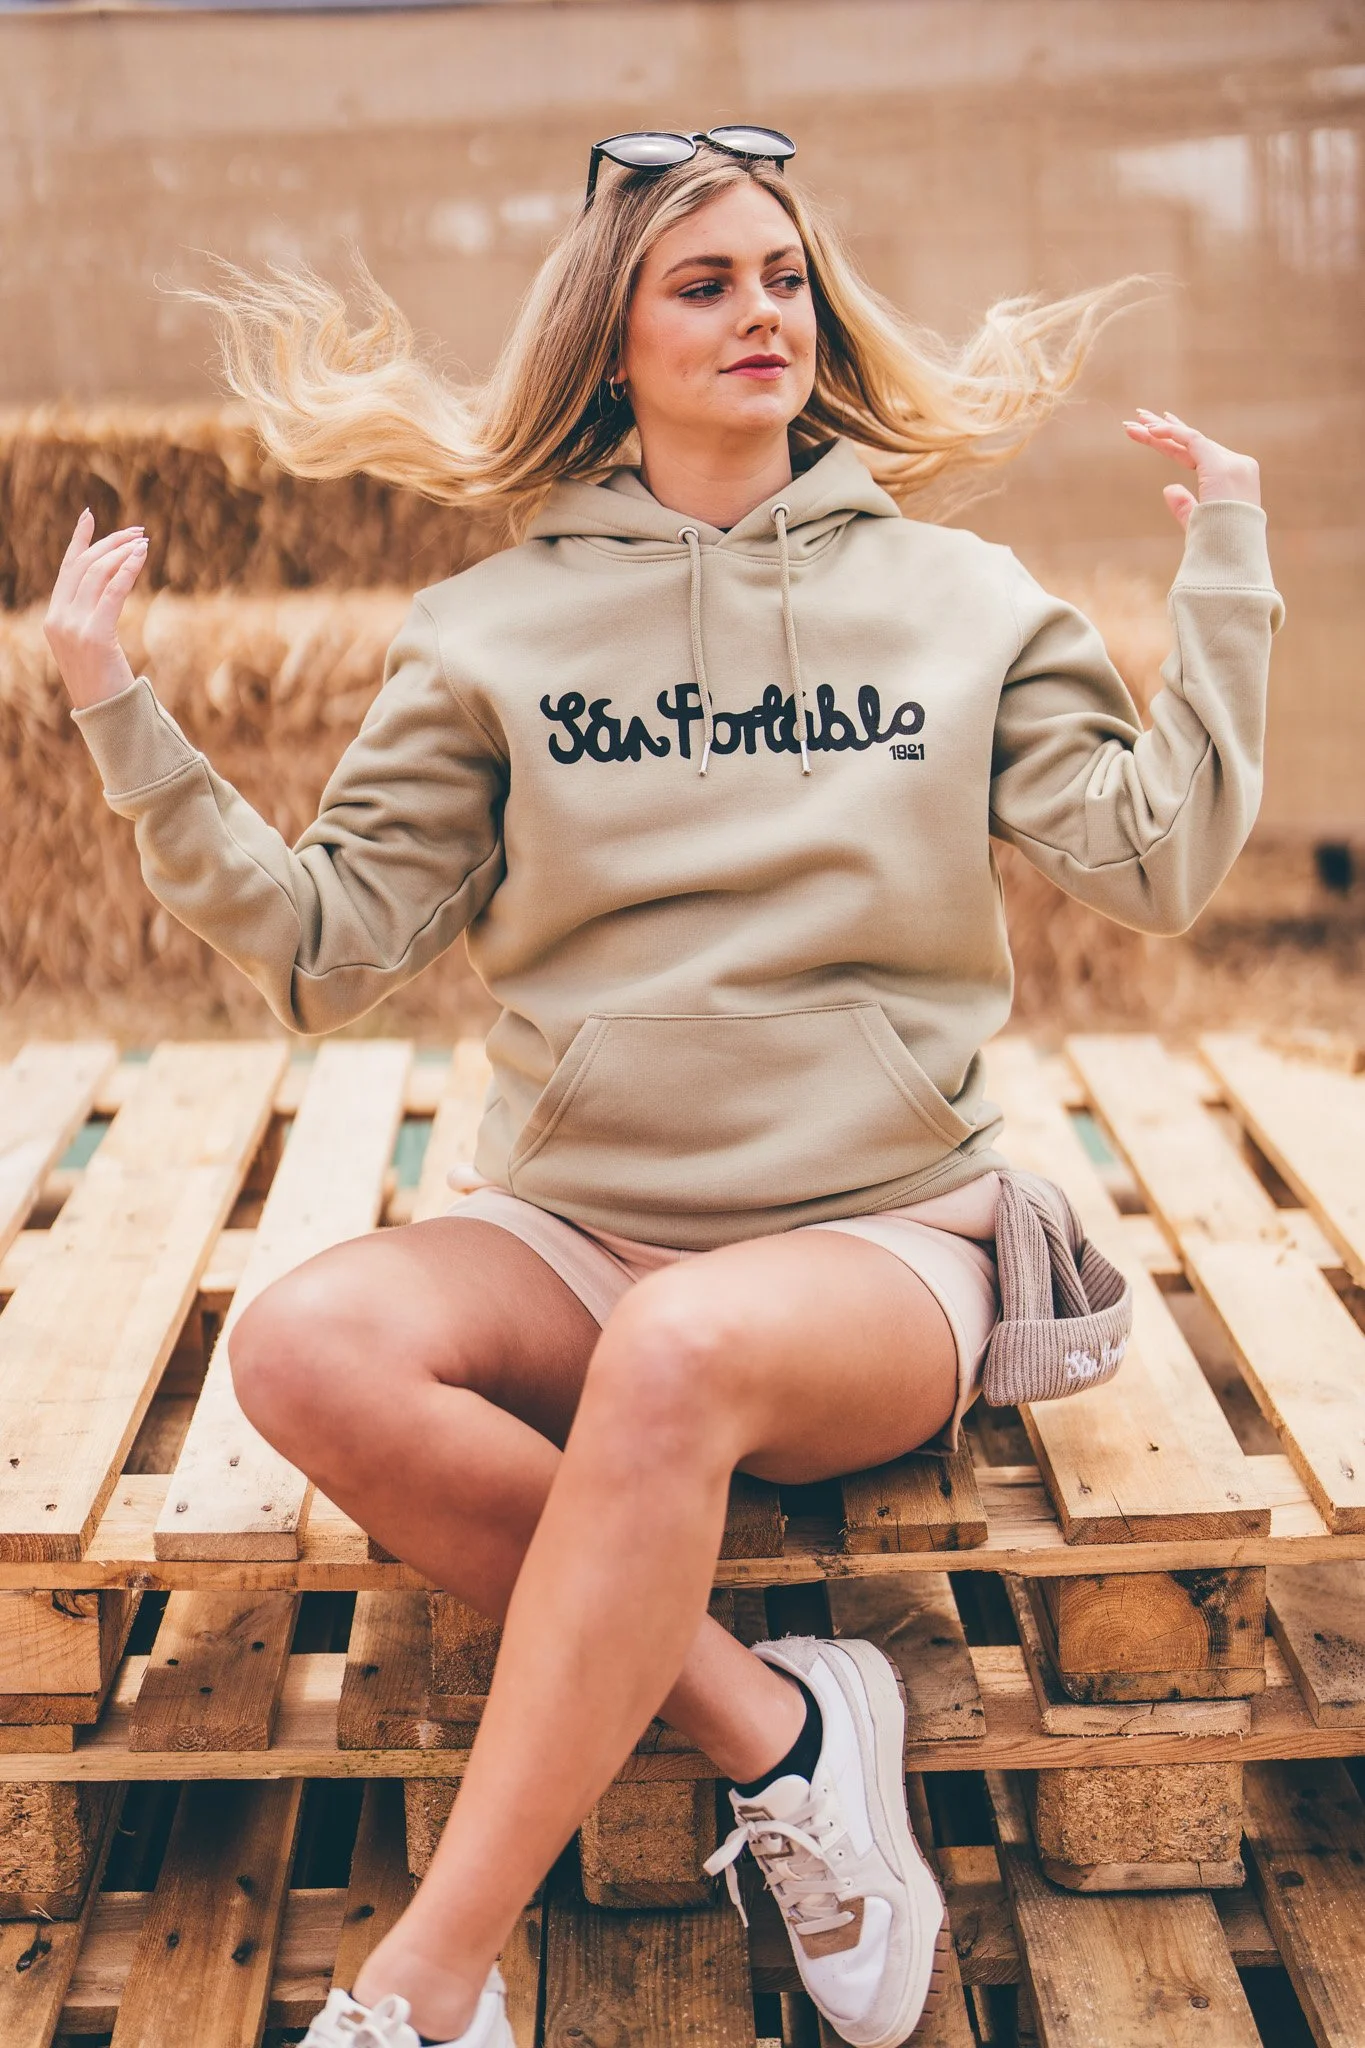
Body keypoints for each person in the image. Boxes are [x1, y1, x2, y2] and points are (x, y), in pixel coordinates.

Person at [46, 125, 1282, 2048]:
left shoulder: (959, 597)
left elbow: (1163, 860)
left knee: (684, 1353)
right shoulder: (492, 630)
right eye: (704, 285)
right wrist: (124, 719)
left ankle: (423, 1984)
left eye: (784, 277)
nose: (761, 313)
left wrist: (1229, 571)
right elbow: (319, 947)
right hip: (576, 1226)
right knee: (300, 1350)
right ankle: (779, 1723)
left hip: (880, 1244)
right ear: (608, 344)